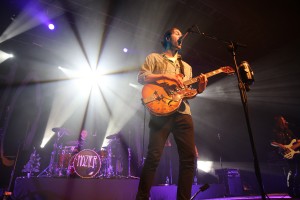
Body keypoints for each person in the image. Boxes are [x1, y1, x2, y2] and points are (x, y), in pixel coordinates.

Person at [136, 27, 208, 200]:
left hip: (183, 112)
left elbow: (187, 93)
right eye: (177, 33)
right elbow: (141, 77)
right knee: (154, 156)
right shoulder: (154, 58)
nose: (181, 36)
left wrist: (199, 89)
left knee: (189, 158)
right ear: (167, 37)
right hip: (160, 111)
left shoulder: (187, 67)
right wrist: (167, 78)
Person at [271, 115, 300, 198]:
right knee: (293, 170)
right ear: (279, 121)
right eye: (283, 119)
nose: (285, 120)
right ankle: (291, 191)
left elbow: (296, 140)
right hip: (282, 153)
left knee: (295, 170)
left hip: (292, 152)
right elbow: (271, 142)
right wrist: (281, 145)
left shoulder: (288, 131)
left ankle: (296, 190)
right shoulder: (275, 131)